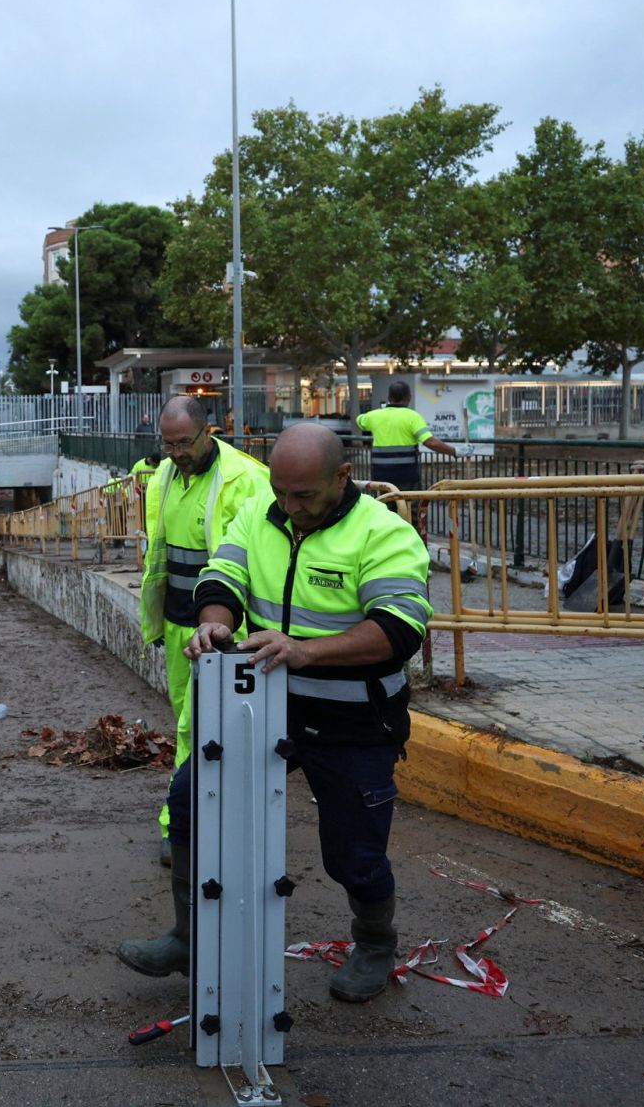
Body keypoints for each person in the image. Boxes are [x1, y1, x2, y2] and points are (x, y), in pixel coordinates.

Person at [117, 423, 431, 1004]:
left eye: (303, 496)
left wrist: (305, 650)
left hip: (354, 725)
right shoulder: (263, 512)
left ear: (342, 477)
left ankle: (375, 944)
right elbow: (224, 574)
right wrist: (215, 619)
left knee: (353, 855)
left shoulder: (384, 533)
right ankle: (190, 936)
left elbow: (399, 628)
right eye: (282, 493)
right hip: (263, 707)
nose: (288, 508)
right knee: (190, 802)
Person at [137, 396, 271, 866]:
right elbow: (162, 554)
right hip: (178, 626)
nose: (176, 452)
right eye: (168, 444)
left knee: (199, 726)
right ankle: (204, 822)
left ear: (207, 431)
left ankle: (182, 828)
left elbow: (256, 561)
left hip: (222, 634)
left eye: (184, 443)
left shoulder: (246, 479)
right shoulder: (165, 476)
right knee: (187, 722)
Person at [356, 379, 458, 490]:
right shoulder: (413, 417)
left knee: (383, 506)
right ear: (409, 397)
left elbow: (359, 420)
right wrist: (454, 451)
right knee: (408, 506)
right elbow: (430, 442)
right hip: (406, 477)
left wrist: (381, 410)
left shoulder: (373, 416)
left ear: (389, 397)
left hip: (380, 477)